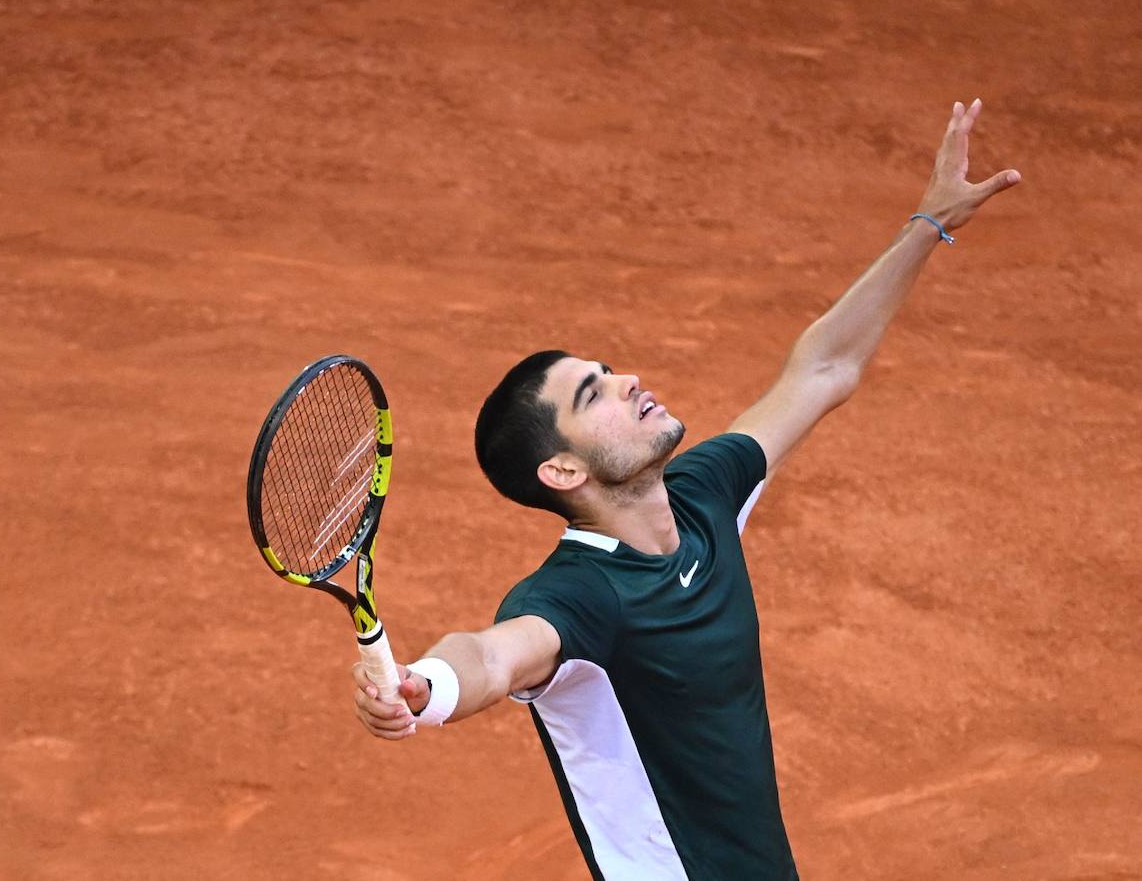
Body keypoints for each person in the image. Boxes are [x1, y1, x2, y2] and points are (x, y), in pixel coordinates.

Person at [351, 99, 1019, 880]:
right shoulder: (581, 599)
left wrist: (928, 224)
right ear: (563, 472)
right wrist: (426, 686)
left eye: (608, 371)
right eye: (593, 394)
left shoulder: (703, 496)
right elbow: (495, 658)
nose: (627, 381)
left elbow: (824, 370)